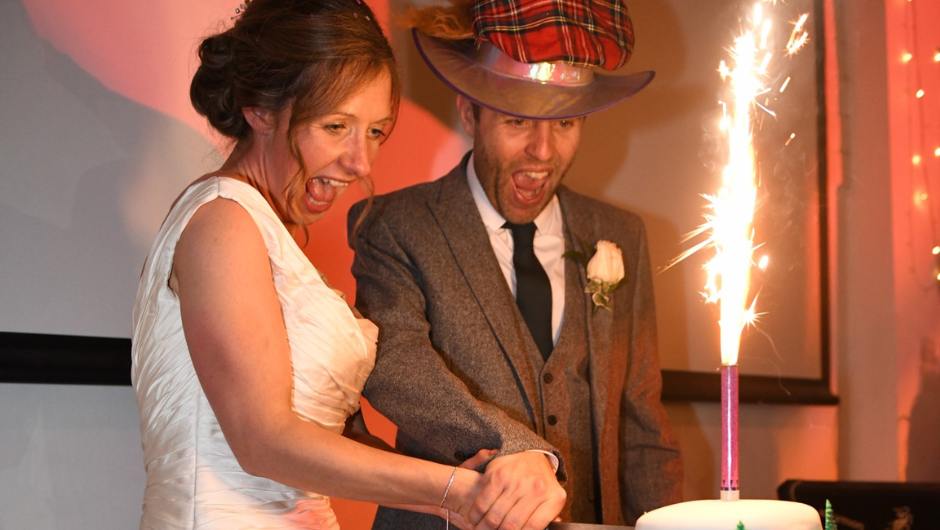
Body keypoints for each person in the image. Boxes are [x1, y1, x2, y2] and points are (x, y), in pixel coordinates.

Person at [130, 0, 564, 529]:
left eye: (376, 131)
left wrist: (463, 488)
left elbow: (328, 438)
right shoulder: (223, 221)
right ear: (260, 109)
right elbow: (263, 441)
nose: (362, 162)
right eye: (337, 126)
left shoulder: (265, 230)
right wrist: (455, 491)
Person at [348, 0, 684, 527]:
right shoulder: (395, 224)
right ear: (469, 112)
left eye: (566, 121)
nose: (543, 150)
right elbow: (394, 365)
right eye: (518, 120)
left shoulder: (621, 236)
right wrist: (518, 450)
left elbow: (642, 422)